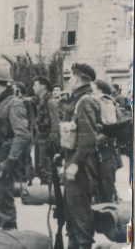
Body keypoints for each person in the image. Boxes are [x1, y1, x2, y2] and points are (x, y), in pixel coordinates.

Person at [0, 67, 31, 231]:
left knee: (2, 203)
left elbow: (22, 135)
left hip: (2, 160)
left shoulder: (13, 104)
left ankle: (10, 238)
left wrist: (10, 161)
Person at [62, 63, 100, 249]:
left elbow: (88, 138)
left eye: (70, 77)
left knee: (80, 210)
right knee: (71, 210)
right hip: (75, 157)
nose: (69, 81)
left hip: (82, 162)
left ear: (77, 79)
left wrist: (75, 163)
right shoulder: (78, 99)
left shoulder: (84, 101)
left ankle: (83, 245)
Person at [91, 79, 121, 203]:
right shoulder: (96, 101)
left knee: (105, 182)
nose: (90, 90)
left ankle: (110, 210)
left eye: (92, 88)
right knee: (98, 182)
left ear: (99, 89)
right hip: (100, 149)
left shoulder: (105, 102)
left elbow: (111, 128)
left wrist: (95, 142)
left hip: (106, 150)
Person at [32, 76, 61, 185]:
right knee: (40, 167)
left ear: (43, 86)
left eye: (35, 85)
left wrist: (51, 140)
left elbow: (56, 122)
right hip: (40, 137)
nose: (33, 87)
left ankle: (51, 194)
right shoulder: (40, 101)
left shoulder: (51, 102)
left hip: (47, 138)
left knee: (46, 169)